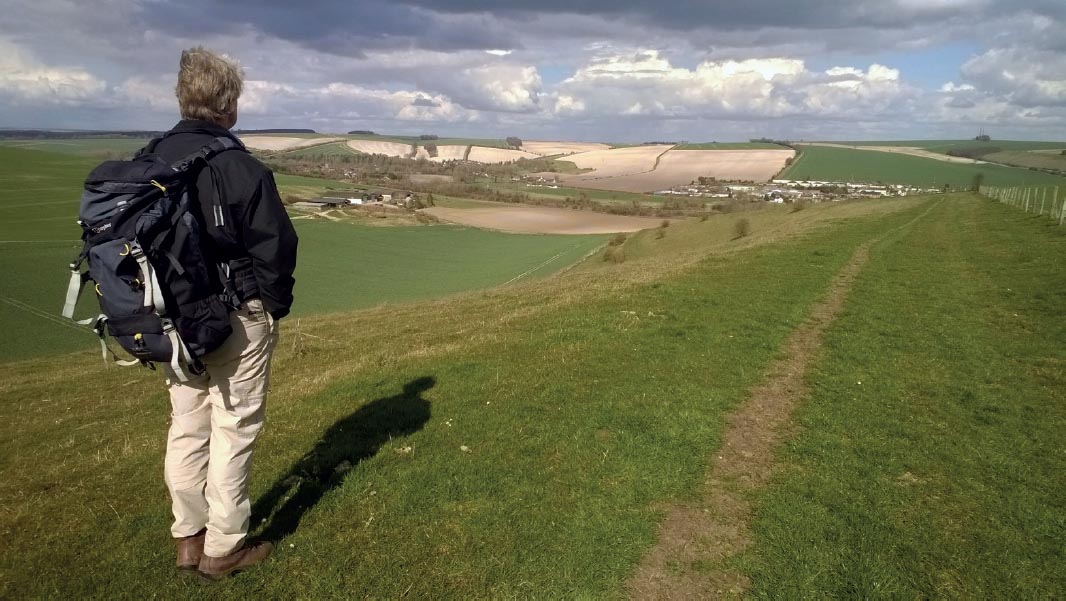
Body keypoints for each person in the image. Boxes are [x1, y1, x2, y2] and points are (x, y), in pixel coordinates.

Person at [151, 47, 298, 580]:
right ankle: (223, 548)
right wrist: (271, 308)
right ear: (230, 107)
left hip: (171, 321)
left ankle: (187, 541)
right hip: (236, 315)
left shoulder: (150, 161)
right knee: (234, 428)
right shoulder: (241, 167)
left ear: (182, 99)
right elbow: (277, 247)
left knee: (187, 426)